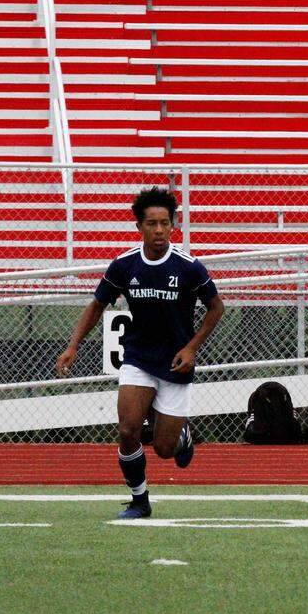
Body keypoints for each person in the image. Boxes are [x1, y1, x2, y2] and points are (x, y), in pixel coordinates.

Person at [55, 187, 225, 518]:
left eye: (165, 223)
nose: (159, 230)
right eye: (151, 223)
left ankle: (181, 434)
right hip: (138, 358)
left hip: (176, 363)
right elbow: (97, 305)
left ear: (173, 225)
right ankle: (139, 499)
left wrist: (191, 348)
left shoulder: (189, 267)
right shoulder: (124, 265)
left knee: (163, 448)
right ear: (139, 227)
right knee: (128, 429)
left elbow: (216, 308)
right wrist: (73, 344)